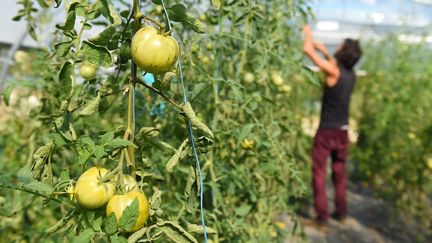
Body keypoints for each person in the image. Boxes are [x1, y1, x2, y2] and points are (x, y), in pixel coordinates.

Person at [302, 25, 362, 226]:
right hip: (343, 132)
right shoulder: (351, 74)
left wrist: (308, 34)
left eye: (341, 45)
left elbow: (307, 51)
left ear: (344, 52)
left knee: (319, 173)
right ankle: (342, 212)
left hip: (327, 132)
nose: (338, 46)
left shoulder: (333, 71)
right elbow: (333, 66)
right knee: (339, 173)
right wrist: (325, 51)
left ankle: (322, 217)